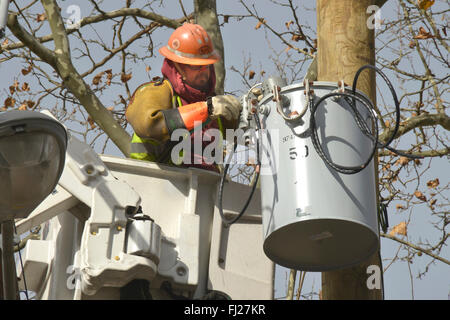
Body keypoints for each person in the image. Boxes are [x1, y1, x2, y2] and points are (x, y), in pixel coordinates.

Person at [126, 23, 241, 172]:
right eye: (196, 66)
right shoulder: (155, 92)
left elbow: (247, 136)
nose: (204, 71)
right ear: (176, 65)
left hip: (204, 188)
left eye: (207, 65)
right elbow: (149, 125)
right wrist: (206, 110)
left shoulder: (214, 105)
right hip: (152, 183)